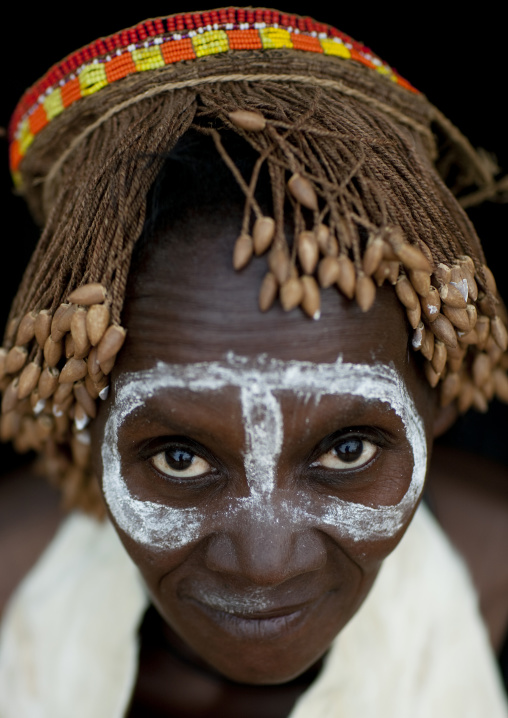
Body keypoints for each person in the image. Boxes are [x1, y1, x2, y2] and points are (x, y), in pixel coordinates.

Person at [0, 7, 507, 716]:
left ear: (439, 396)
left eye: (349, 448)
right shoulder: (14, 583)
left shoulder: (495, 574)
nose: (266, 565)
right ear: (82, 418)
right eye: (180, 458)